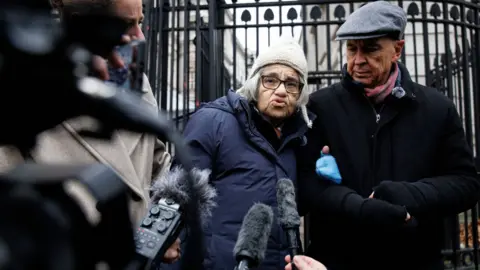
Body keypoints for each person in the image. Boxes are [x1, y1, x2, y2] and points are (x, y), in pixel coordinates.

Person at [297, 1, 480, 270]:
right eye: (351, 49)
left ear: (397, 49)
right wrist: (357, 207)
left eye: (370, 49)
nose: (358, 60)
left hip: (413, 259)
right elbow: (304, 182)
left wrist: (407, 194)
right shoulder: (321, 106)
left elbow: (466, 184)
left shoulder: (437, 108)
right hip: (338, 260)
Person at [0, 0, 181, 263]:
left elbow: (157, 161)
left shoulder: (135, 80)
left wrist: (161, 231)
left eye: (140, 22)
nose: (139, 37)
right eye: (127, 24)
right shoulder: (27, 88)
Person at [172, 36, 313, 270]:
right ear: (255, 83)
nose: (280, 91)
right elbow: (178, 201)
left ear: (300, 93)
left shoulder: (299, 139)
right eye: (270, 80)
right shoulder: (213, 121)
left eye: (291, 84)